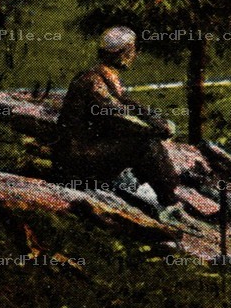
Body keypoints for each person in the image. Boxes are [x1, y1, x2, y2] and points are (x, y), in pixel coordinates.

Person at [54, 26, 182, 210]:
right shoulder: (93, 81)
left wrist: (158, 121)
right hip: (77, 157)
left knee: (145, 142)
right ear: (121, 53)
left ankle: (164, 196)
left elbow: (130, 105)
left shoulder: (105, 77)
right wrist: (156, 129)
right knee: (145, 144)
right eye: (131, 50)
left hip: (86, 151)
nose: (134, 55)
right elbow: (117, 116)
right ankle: (170, 201)